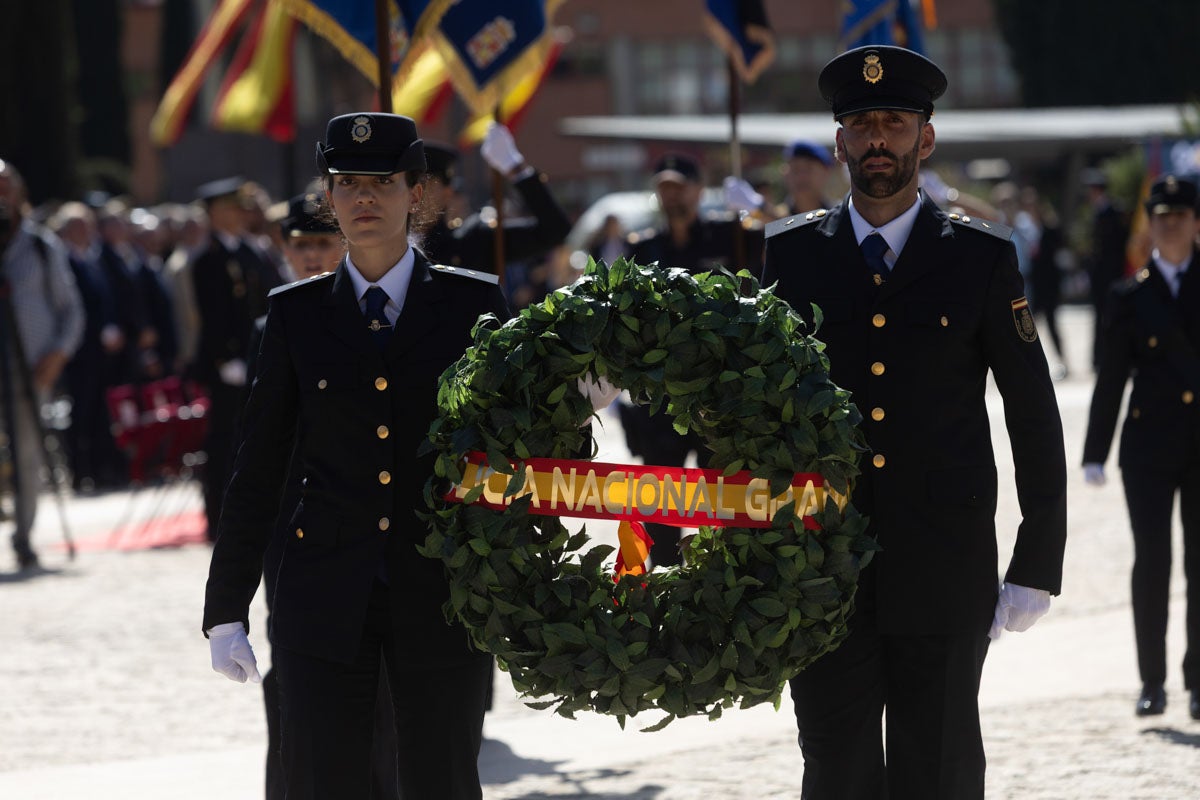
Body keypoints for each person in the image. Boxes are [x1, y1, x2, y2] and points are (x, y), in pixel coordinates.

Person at [760, 46, 1067, 798]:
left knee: (940, 769)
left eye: (894, 123)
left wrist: (1037, 559)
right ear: (839, 141)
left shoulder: (979, 259)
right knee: (835, 769)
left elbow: (1032, 411)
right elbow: (758, 409)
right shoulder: (792, 257)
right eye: (861, 124)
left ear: (925, 139)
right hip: (823, 565)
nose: (877, 139)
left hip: (944, 563)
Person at [203, 112, 509, 799]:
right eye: (346, 183)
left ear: (416, 193)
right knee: (321, 779)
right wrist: (226, 606)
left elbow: (515, 443)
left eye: (382, 182)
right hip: (323, 590)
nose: (363, 197)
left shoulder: (471, 304)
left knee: (442, 779)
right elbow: (257, 467)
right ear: (328, 196)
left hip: (440, 589)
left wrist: (573, 401)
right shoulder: (296, 314)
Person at [1082, 174, 1200, 721]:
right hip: (1148, 447)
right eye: (1161, 217)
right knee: (1152, 561)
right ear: (1149, 225)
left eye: (1180, 216)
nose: (1170, 225)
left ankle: (1198, 680)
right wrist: (1095, 451)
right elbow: (1111, 379)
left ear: (1196, 223)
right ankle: (1152, 680)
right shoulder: (1128, 296)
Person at [624, 152, 764, 567]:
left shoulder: (731, 236)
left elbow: (789, 242)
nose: (672, 196)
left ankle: (715, 575)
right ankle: (664, 573)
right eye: (664, 189)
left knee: (719, 495)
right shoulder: (643, 247)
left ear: (699, 190)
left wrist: (758, 210)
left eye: (680, 187)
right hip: (661, 394)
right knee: (660, 494)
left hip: (718, 390)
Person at [0, 159, 85, 571]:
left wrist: (58, 354)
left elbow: (71, 310)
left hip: (31, 366)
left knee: (28, 453)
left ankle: (24, 536)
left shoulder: (39, 245)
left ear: (19, 192)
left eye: (5, 186)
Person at [190, 176, 282, 540]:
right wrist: (223, 359)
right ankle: (218, 518)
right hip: (229, 365)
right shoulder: (209, 259)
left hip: (255, 358)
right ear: (213, 213)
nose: (237, 213)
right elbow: (213, 316)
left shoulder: (250, 250)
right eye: (229, 207)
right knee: (224, 443)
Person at [417, 123, 571, 277]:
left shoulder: (472, 242)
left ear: (447, 192)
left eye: (425, 185)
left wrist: (515, 169)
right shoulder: (403, 249)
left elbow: (554, 230)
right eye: (410, 185)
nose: (416, 194)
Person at [1082, 167, 1130, 368]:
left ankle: (1112, 356)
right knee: (1099, 317)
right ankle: (1099, 358)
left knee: (1113, 317)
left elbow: (1119, 244)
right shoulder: (1098, 211)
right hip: (1100, 276)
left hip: (1112, 275)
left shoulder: (1114, 211)